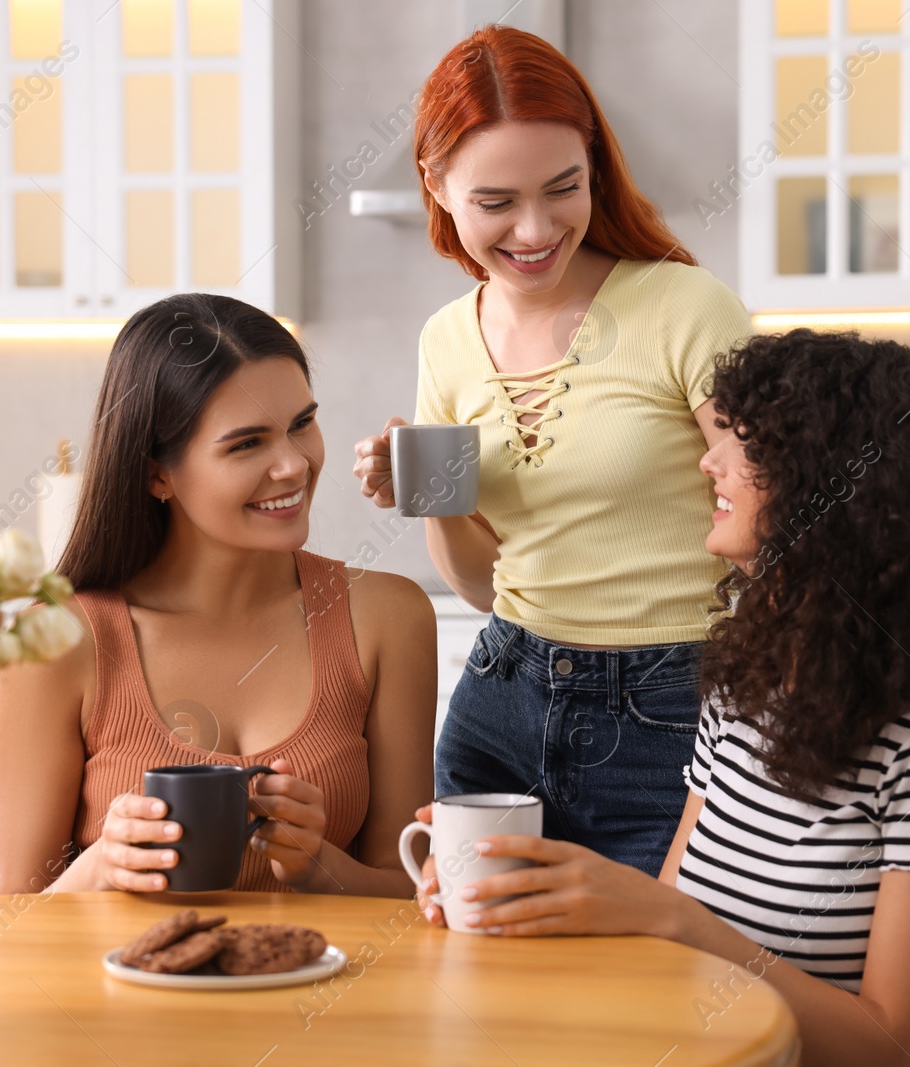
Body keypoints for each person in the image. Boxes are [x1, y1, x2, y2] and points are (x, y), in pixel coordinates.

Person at [418, 330, 910, 1065]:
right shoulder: (750, 674)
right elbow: (677, 922)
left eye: (751, 446)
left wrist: (668, 919)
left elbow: (889, 1044)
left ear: (851, 490)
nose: (710, 460)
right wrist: (541, 898)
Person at [352, 25, 753, 875]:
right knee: (479, 976)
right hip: (502, 697)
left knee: (653, 983)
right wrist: (431, 489)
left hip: (674, 711)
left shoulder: (686, 308)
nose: (534, 230)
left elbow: (773, 519)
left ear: (595, 170)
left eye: (562, 188)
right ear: (436, 184)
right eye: (495, 202)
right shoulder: (446, 341)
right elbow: (475, 581)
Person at [0, 293, 436, 897]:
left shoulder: (388, 618)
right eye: (247, 444)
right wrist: (100, 870)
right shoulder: (51, 644)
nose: (293, 465)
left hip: (328, 990)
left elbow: (409, 893)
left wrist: (317, 866)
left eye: (301, 424)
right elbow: (8, 923)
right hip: (119, 992)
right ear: (157, 473)